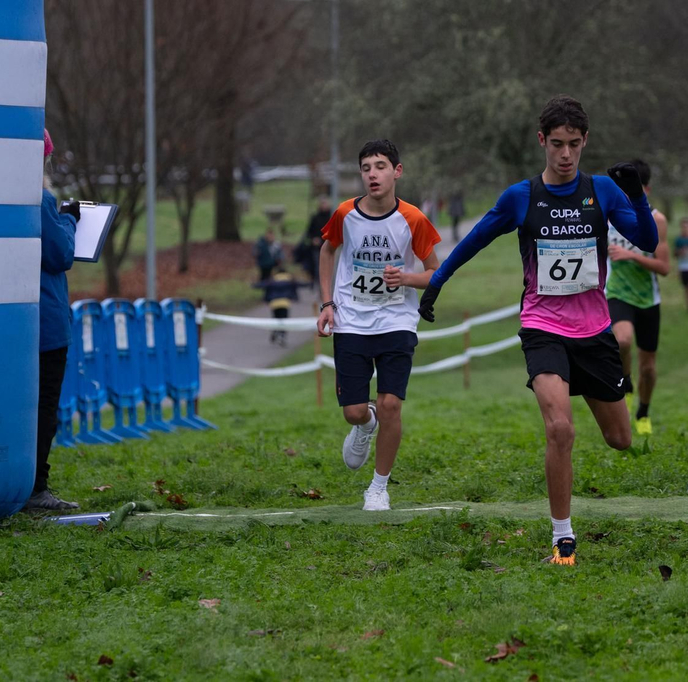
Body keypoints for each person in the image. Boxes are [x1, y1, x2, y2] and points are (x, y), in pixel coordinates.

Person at [419, 95, 656, 566]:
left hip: (595, 332)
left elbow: (647, 241)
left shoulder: (603, 191)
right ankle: (563, 537)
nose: (565, 155)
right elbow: (472, 242)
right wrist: (435, 286)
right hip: (542, 327)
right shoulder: (521, 197)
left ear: (585, 141)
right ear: (541, 141)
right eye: (557, 145)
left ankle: (609, 413)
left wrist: (637, 196)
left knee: (621, 440)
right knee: (561, 428)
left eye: (574, 144)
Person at [315, 139, 441, 512]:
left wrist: (406, 278)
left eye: (381, 166)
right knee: (355, 410)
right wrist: (326, 304)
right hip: (352, 319)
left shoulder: (412, 219)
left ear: (397, 171)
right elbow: (327, 250)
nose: (373, 174)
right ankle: (364, 424)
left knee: (390, 404)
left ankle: (378, 487)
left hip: (396, 320)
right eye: (367, 167)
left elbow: (435, 272)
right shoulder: (344, 214)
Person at [25, 130, 80, 513]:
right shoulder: (40, 199)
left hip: (15, 320)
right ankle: (36, 488)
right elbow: (60, 255)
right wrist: (70, 222)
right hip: (47, 320)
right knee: (45, 406)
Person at [604, 159, 669, 436]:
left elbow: (664, 268)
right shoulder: (608, 218)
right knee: (622, 340)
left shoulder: (657, 221)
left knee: (650, 369)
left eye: (635, 190)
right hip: (617, 292)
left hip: (648, 299)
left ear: (647, 190)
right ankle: (626, 382)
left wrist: (631, 255)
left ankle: (643, 410)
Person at [252, 263, 299, 347]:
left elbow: (262, 285)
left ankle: (275, 331)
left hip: (274, 304)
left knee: (276, 319)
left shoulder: (272, 281)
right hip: (285, 303)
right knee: (284, 321)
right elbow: (300, 284)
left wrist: (254, 285)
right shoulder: (289, 280)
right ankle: (282, 335)